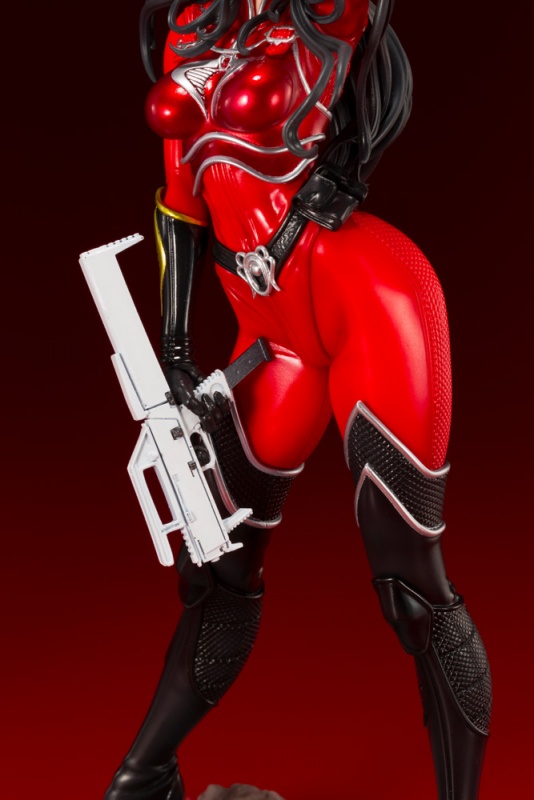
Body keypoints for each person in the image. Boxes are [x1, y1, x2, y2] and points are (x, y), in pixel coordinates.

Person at [104, 1, 492, 798]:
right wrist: (174, 345)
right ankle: (145, 777)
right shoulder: (191, 20)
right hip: (269, 327)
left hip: (366, 299)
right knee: (216, 569)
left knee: (411, 587)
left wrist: (346, 173)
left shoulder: (328, 14)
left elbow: (366, 67)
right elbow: (180, 199)